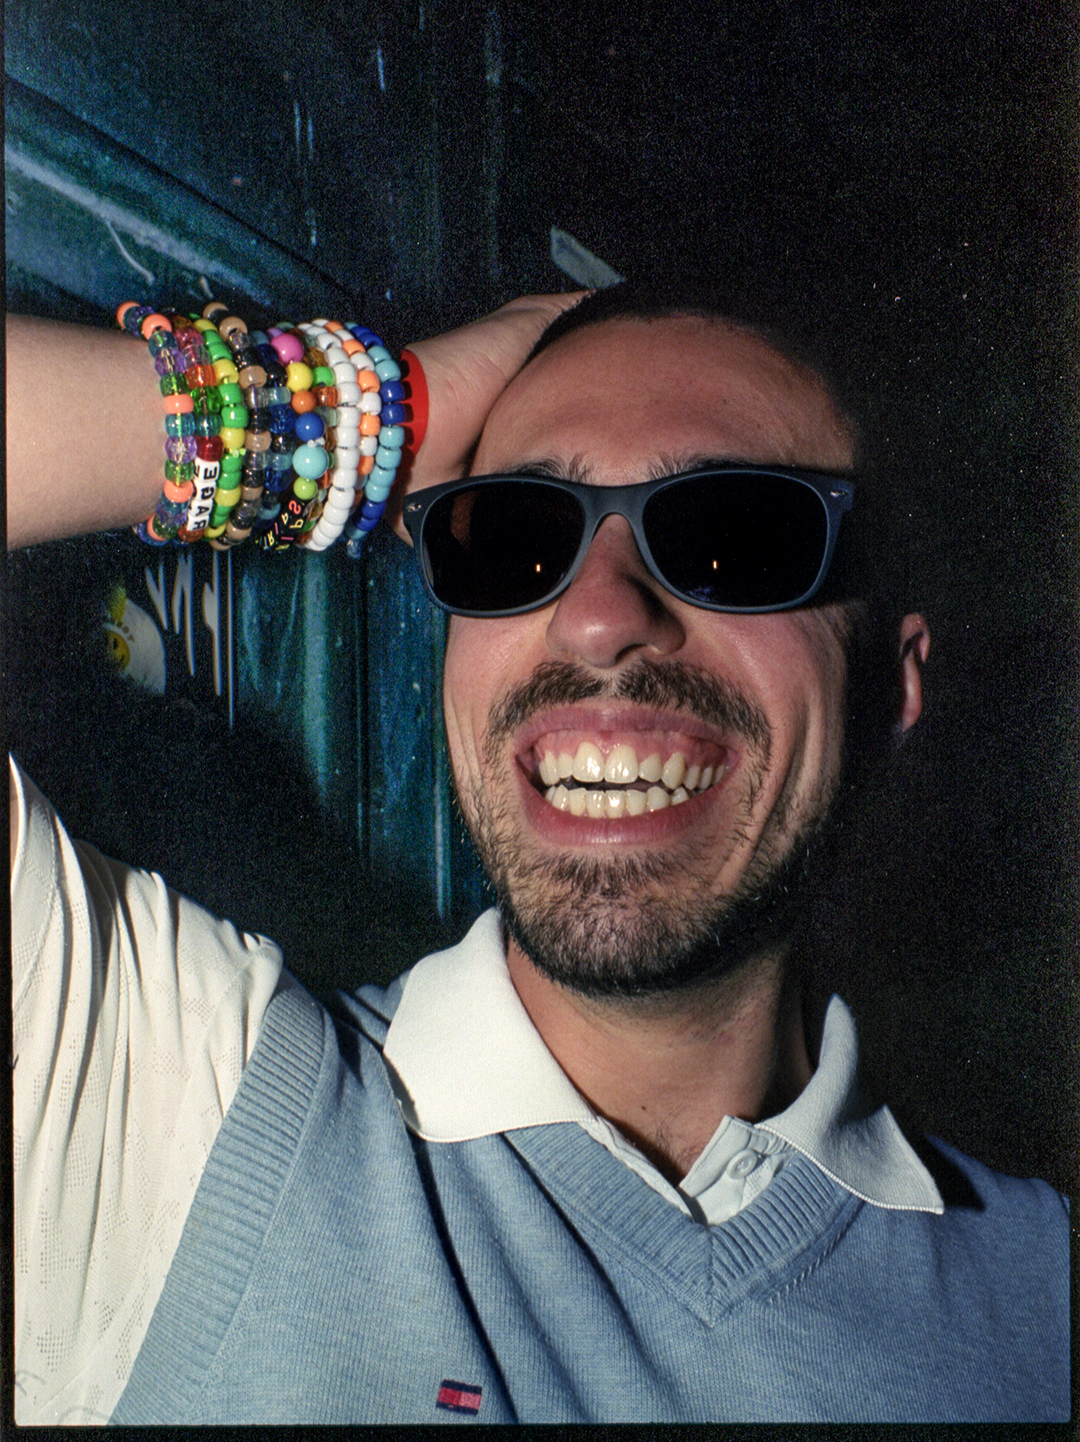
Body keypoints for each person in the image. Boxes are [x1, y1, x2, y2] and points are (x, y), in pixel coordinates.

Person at [9, 284, 1069, 1425]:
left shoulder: (1044, 1294)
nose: (598, 615)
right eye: (517, 537)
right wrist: (365, 414)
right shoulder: (175, 1110)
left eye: (735, 534)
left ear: (895, 682)